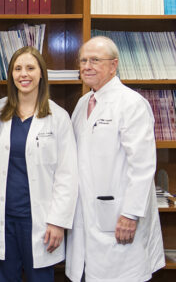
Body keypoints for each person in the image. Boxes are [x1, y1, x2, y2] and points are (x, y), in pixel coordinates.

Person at [66, 36, 164, 281]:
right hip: (89, 215)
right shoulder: (82, 104)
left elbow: (142, 167)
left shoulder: (131, 103)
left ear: (114, 65)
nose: (87, 66)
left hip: (120, 218)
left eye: (95, 60)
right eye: (83, 60)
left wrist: (130, 215)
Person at [0, 46, 79, 281]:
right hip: (2, 220)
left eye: (30, 68)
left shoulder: (58, 117)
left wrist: (58, 222)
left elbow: (68, 175)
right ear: (10, 75)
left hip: (41, 222)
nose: (23, 74)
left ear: (41, 74)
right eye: (17, 68)